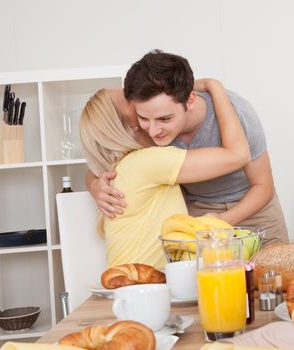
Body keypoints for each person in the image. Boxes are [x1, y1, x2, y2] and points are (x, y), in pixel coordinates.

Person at [87, 50, 288, 244]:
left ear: (189, 100)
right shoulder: (144, 129)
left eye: (165, 118)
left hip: (255, 209)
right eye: (143, 118)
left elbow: (263, 186)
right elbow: (102, 163)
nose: (154, 131)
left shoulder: (238, 112)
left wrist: (226, 219)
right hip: (197, 214)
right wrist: (95, 185)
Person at [80, 79, 250, 269]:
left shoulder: (122, 166)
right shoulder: (148, 161)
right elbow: (238, 155)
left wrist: (93, 183)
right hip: (143, 286)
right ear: (131, 127)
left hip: (126, 280)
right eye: (129, 98)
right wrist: (214, 86)